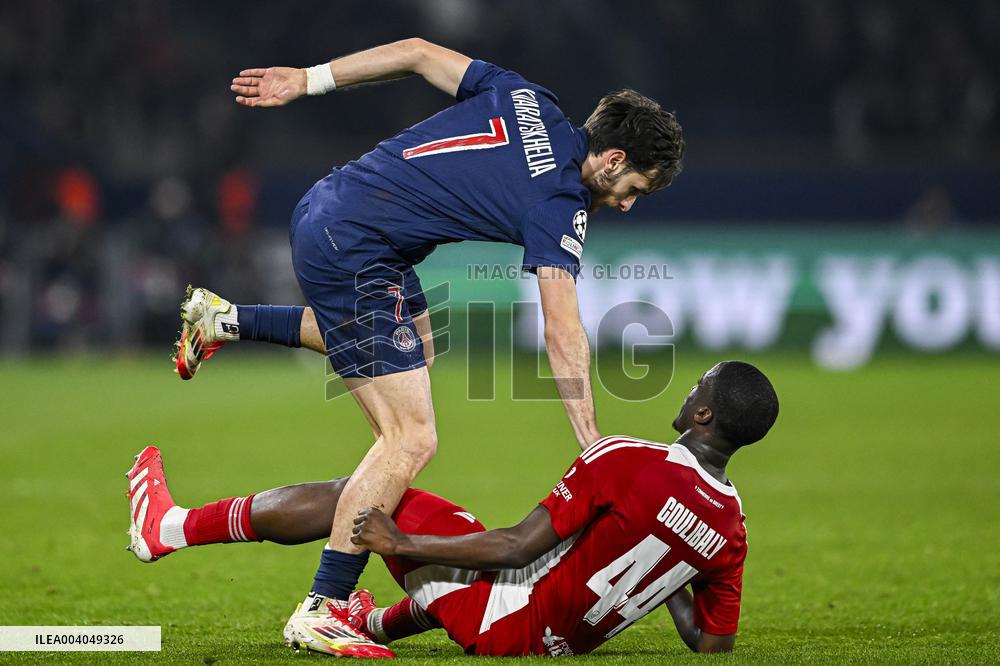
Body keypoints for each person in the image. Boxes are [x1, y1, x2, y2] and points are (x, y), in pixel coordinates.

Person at [167, 37, 684, 656]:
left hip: (341, 214)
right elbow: (563, 331)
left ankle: (226, 321)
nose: (626, 203)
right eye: (634, 187)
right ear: (611, 158)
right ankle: (324, 604)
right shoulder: (560, 202)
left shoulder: (528, 97)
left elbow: (415, 51)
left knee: (416, 347)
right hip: (354, 245)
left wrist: (309, 79)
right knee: (411, 438)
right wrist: (593, 448)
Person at [127, 361, 777, 657]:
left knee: (365, 492)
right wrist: (669, 562)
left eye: (701, 384)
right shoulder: (730, 527)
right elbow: (711, 643)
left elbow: (517, 547)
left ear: (702, 413)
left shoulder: (629, 460)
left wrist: (398, 539)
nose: (693, 385)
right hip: (554, 642)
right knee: (478, 566)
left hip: (505, 619)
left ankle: (168, 527)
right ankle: (372, 623)